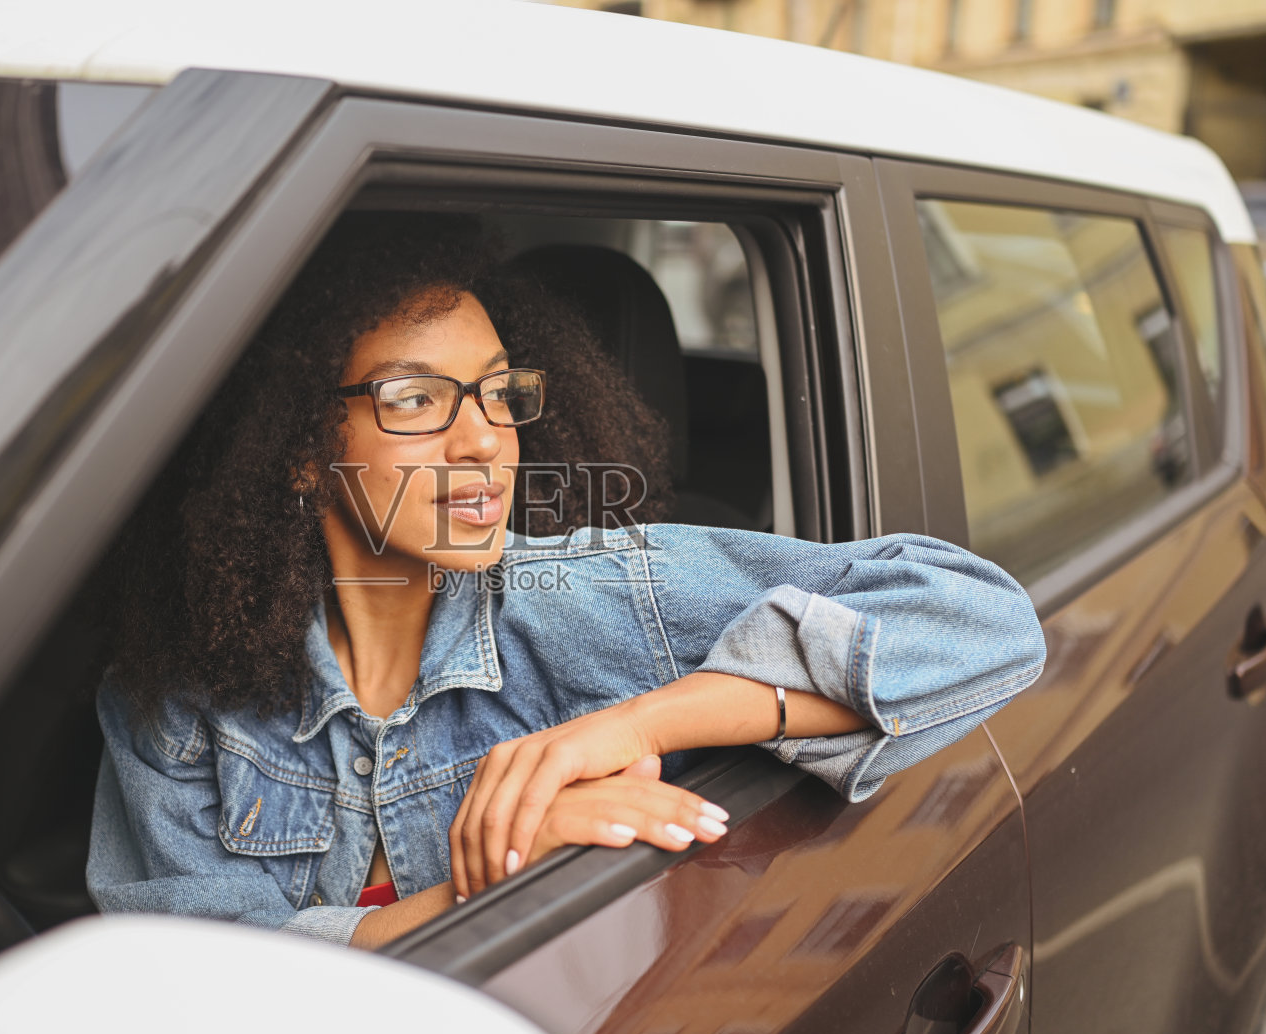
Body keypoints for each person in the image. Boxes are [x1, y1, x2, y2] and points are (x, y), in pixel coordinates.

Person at [87, 213, 1046, 949]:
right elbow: (198, 984)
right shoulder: (181, 699)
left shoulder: (587, 597)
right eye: (417, 399)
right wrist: (498, 874)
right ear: (301, 448)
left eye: (499, 393)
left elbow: (980, 616)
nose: (484, 439)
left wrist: (639, 724)